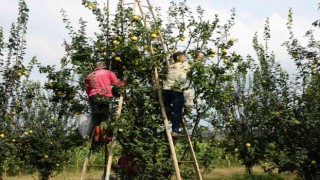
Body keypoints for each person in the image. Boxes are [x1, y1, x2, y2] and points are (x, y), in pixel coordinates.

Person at [162, 51, 204, 136]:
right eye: (183, 56)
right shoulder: (183, 65)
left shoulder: (171, 66)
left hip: (166, 91)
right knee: (177, 111)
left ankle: (167, 107)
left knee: (169, 101)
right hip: (176, 92)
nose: (185, 58)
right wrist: (200, 55)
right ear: (179, 58)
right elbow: (196, 61)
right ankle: (175, 131)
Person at [85, 61, 126, 143]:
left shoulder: (89, 75)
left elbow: (87, 90)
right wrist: (124, 82)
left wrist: (92, 95)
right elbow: (117, 84)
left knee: (96, 115)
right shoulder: (109, 73)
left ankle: (96, 136)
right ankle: (104, 136)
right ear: (104, 67)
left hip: (93, 96)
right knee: (104, 115)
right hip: (104, 94)